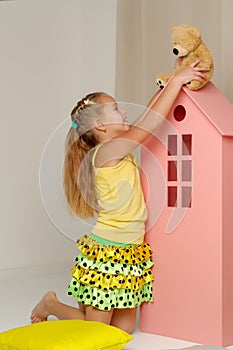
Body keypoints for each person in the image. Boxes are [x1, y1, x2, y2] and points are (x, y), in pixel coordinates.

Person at [30, 60, 209, 333]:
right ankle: (51, 304)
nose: (123, 111)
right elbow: (149, 123)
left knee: (122, 332)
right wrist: (175, 83)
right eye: (115, 108)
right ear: (100, 124)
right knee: (98, 331)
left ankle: (83, 307)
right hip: (107, 253)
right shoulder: (105, 153)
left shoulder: (117, 148)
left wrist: (173, 78)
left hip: (130, 253)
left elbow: (146, 116)